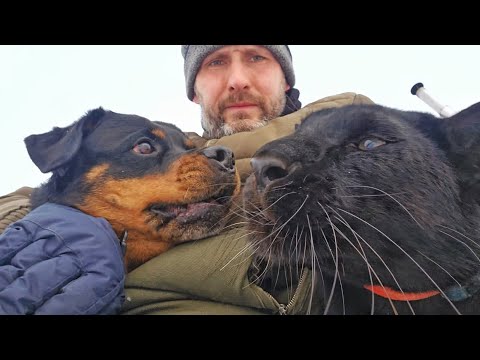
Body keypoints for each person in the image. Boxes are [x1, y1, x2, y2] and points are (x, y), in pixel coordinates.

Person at [0, 45, 373, 315]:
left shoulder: (345, 120)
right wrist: (57, 223)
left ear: (286, 80)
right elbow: (22, 197)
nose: (238, 80)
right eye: (216, 62)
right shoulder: (194, 151)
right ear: (195, 90)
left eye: (257, 57)